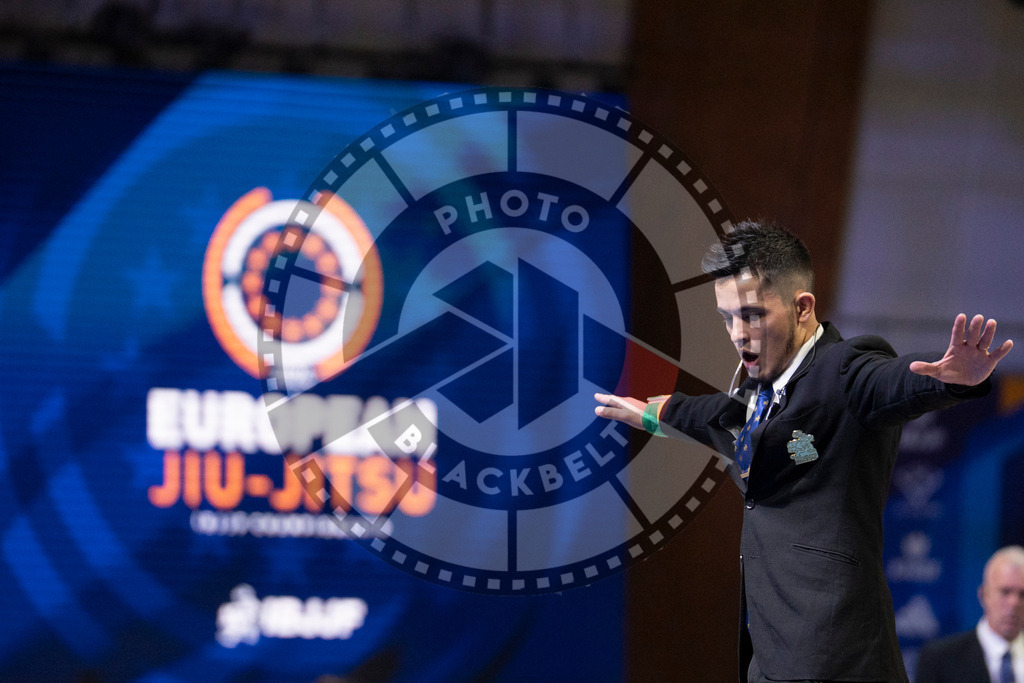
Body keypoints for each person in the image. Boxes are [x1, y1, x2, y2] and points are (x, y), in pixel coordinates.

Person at [594, 220, 1014, 683]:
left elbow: (891, 383)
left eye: (752, 314)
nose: (737, 333)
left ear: (802, 307)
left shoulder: (845, 370)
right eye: (726, 317)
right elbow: (713, 415)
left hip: (836, 660)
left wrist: (948, 383)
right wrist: (654, 414)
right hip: (770, 661)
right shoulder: (758, 399)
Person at [915, 546, 1024, 683]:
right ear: (984, 595)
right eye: (1005, 592)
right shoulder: (939, 659)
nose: (1014, 603)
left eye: (1022, 594)